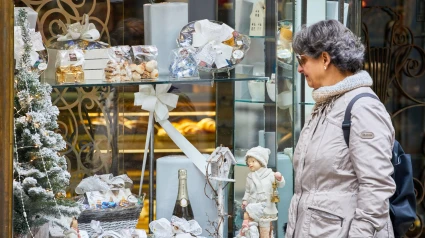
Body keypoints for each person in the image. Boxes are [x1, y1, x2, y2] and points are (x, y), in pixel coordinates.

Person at [285, 19, 396, 238]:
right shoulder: (326, 104)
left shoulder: (363, 108)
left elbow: (376, 187)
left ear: (325, 58)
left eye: (303, 59)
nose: (299, 68)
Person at [240, 146, 285, 238]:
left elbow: (280, 185)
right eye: (248, 162)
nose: (250, 164)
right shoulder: (250, 176)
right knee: (252, 227)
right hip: (253, 205)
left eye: (253, 161)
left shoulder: (270, 174)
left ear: (261, 161)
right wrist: (245, 200)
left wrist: (279, 178)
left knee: (265, 227)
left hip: (266, 206)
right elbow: (248, 191)